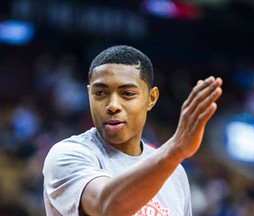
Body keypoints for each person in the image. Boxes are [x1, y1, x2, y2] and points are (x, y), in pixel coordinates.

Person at [42, 45, 223, 216]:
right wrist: (176, 150)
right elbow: (107, 208)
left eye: (127, 94)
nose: (113, 106)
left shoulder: (175, 174)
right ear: (89, 95)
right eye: (100, 93)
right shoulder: (67, 154)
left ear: (151, 98)